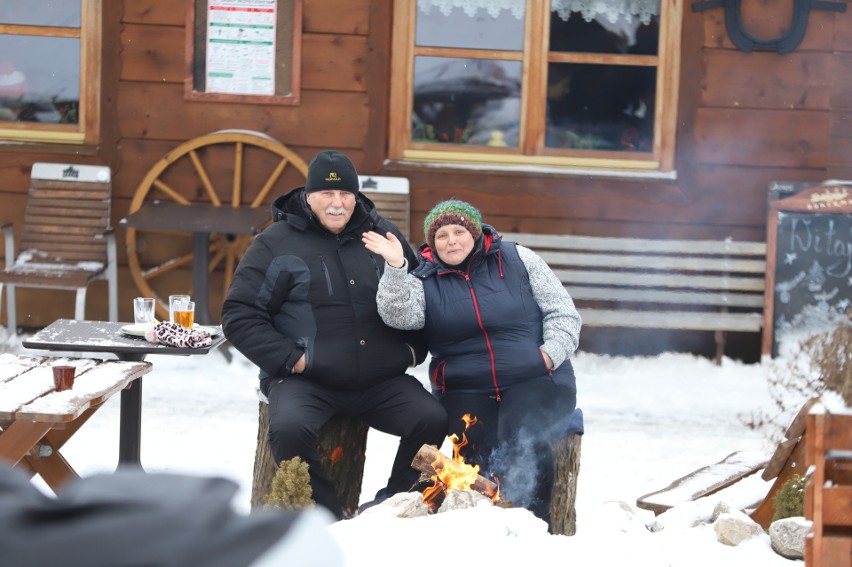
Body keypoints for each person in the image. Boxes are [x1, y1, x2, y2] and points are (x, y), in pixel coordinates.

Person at [222, 150, 448, 520]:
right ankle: (330, 517)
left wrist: (408, 353)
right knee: (289, 430)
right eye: (327, 194)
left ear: (356, 197)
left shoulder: (383, 236)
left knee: (432, 419)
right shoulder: (275, 243)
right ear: (308, 196)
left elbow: (421, 299)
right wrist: (293, 359)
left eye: (346, 194)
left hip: (379, 380)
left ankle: (390, 506)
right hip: (306, 379)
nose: (337, 203)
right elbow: (239, 314)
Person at [362, 199, 582, 529]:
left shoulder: (518, 258)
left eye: (459, 231)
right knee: (477, 453)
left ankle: (535, 524)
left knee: (520, 433)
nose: (451, 240)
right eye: (442, 235)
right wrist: (395, 268)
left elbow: (563, 313)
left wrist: (547, 355)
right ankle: (484, 529)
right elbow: (399, 317)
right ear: (432, 243)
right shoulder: (424, 277)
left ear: (476, 233)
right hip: (466, 387)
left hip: (537, 377)